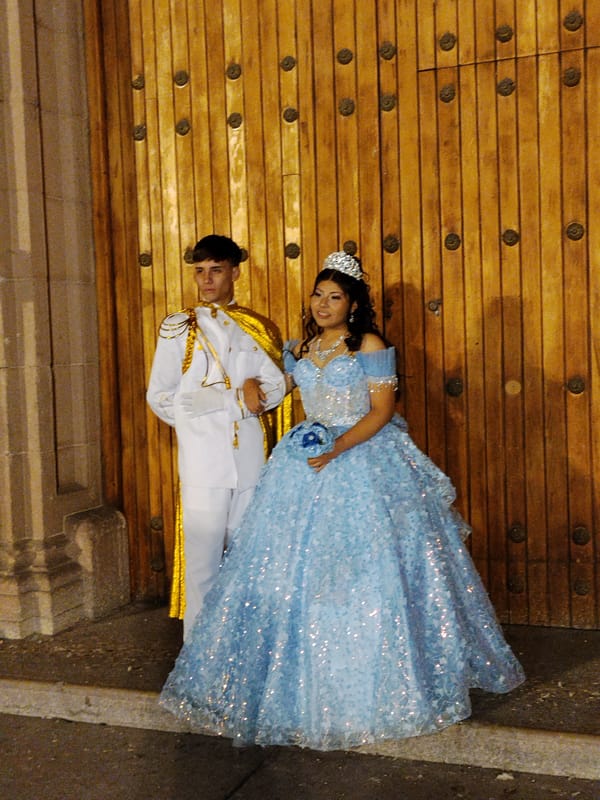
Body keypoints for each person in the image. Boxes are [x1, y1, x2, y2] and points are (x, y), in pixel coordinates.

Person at [159, 250, 525, 750]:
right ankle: (299, 676)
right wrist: (235, 392)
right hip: (303, 466)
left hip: (362, 459)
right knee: (296, 572)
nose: (324, 304)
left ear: (352, 304)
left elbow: (381, 411)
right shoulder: (301, 346)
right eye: (318, 295)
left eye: (335, 297)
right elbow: (273, 391)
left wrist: (338, 446)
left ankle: (367, 682)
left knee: (362, 571)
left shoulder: (370, 344)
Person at [146, 235, 287, 638]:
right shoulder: (179, 327)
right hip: (203, 461)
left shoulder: (254, 326)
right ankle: (198, 661)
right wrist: (226, 403)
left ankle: (244, 650)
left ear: (234, 273)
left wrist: (225, 404)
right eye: (200, 271)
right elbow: (162, 397)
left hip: (250, 462)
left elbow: (275, 386)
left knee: (248, 561)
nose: (207, 280)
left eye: (216, 270)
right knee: (203, 567)